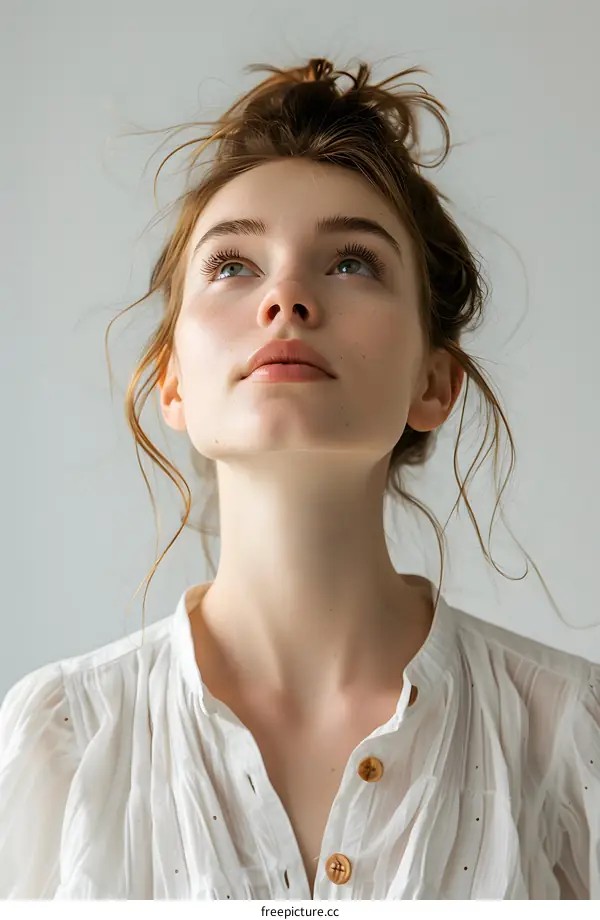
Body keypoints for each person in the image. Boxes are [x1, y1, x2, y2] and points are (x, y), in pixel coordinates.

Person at [0, 56, 598, 901]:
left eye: (351, 262)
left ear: (435, 382)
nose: (286, 296)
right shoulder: (60, 746)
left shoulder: (569, 741)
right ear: (172, 382)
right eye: (233, 266)